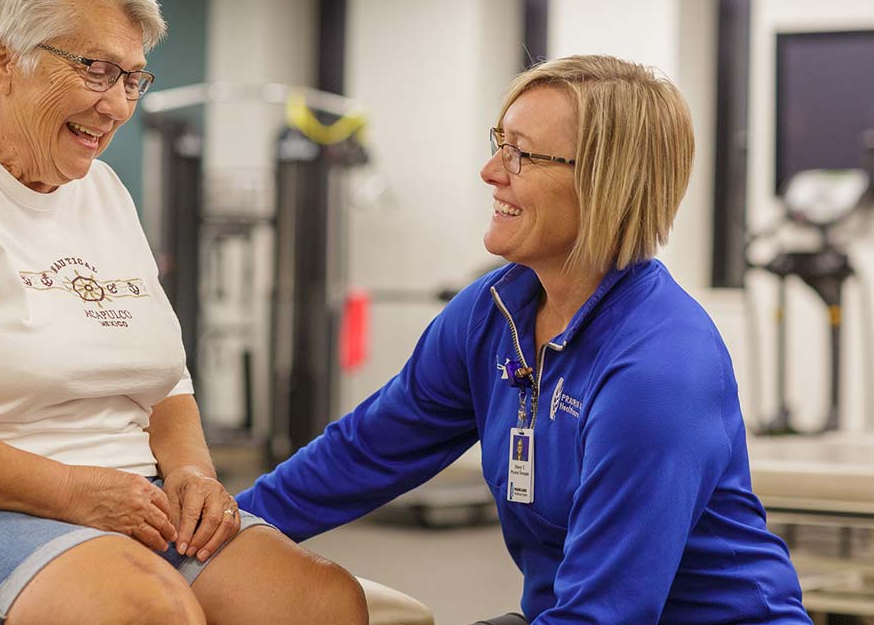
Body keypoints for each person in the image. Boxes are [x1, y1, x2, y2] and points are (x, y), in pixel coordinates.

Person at [0, 0, 368, 624]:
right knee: (145, 610)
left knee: (317, 603)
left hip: (119, 493)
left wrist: (193, 473)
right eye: (94, 69)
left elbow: (165, 384)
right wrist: (71, 492)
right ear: (3, 62)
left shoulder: (104, 192)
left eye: (130, 78)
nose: (117, 104)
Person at [237, 55, 813, 624]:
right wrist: (215, 534)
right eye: (498, 142)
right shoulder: (491, 314)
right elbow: (362, 454)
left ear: (604, 183)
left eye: (521, 154)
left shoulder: (657, 370)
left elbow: (605, 615)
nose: (491, 172)